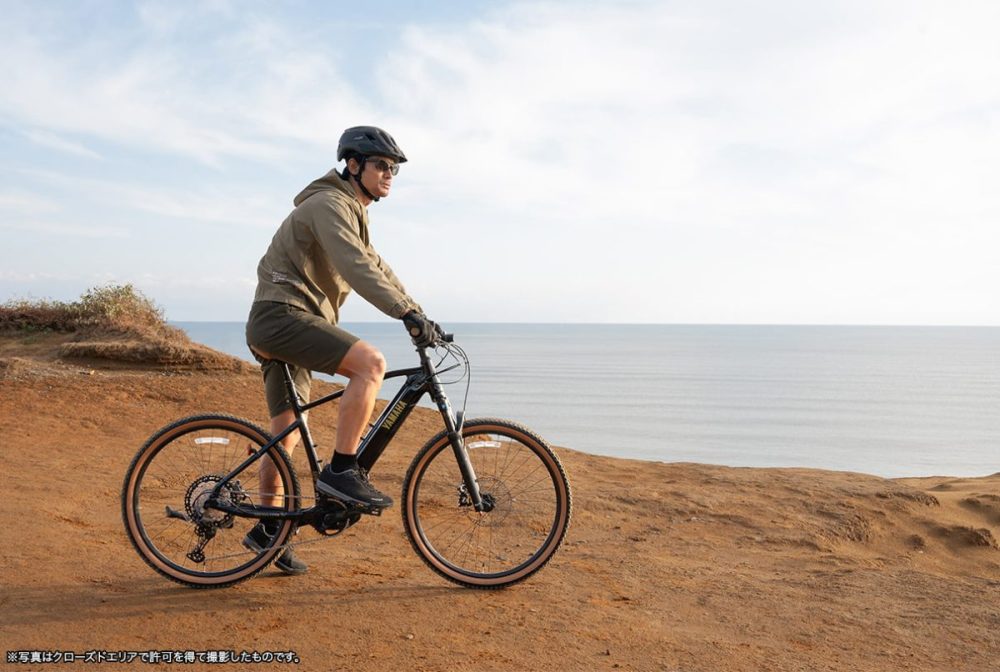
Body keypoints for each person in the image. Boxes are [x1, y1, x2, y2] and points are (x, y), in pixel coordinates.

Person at [242, 126, 440, 575]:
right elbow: (354, 264)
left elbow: (376, 266)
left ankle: (267, 532)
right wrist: (403, 314)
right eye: (381, 166)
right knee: (371, 365)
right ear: (354, 166)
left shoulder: (351, 211)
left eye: (393, 169)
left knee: (285, 436)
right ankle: (341, 471)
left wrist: (418, 313)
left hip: (282, 321)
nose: (389, 174)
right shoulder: (330, 205)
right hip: (283, 316)